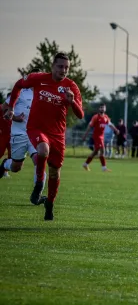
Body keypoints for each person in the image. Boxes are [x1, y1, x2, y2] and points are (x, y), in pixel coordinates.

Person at [4, 52, 84, 220]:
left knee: (55, 172)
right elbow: (18, 85)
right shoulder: (38, 78)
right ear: (52, 66)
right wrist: (11, 108)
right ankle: (39, 183)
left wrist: (72, 102)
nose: (63, 70)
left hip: (57, 135)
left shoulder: (71, 86)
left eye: (66, 68)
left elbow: (80, 115)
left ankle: (50, 203)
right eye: (60, 66)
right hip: (36, 128)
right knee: (42, 150)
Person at [0, 82, 48, 198]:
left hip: (35, 134)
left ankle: (37, 194)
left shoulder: (45, 95)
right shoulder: (20, 92)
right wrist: (15, 117)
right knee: (16, 167)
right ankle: (5, 165)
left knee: (39, 159)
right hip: (19, 134)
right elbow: (4, 109)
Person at [81, 104, 119, 172]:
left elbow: (110, 124)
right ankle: (104, 168)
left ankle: (86, 164)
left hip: (101, 136)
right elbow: (89, 126)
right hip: (96, 136)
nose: (102, 109)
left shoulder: (106, 117)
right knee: (102, 151)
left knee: (96, 152)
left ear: (105, 109)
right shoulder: (95, 117)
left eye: (103, 107)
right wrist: (84, 135)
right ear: (99, 109)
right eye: (101, 107)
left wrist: (116, 130)